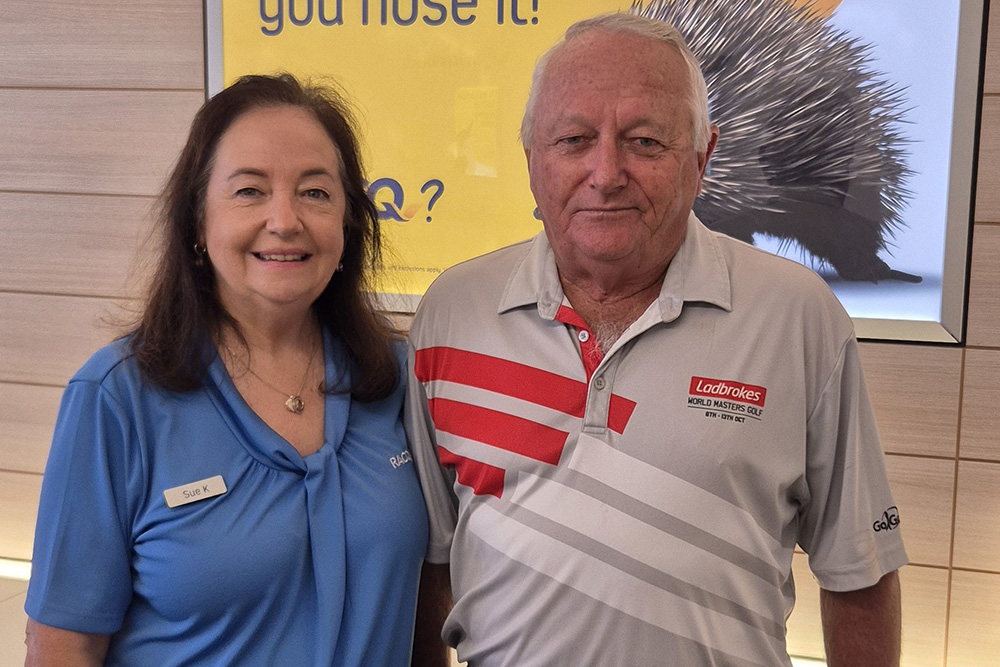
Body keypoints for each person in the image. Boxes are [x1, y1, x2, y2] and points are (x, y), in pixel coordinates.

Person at [405, 12, 907, 667]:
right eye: (574, 139)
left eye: (645, 141)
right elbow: (428, 569)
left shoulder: (798, 317)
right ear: (532, 159)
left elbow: (860, 571)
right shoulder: (453, 312)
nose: (606, 172)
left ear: (702, 158)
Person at [24, 73, 432, 666]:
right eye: (249, 191)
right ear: (197, 222)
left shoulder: (395, 380)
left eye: (315, 192)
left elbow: (422, 610)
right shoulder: (115, 398)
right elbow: (63, 647)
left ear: (348, 224)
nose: (285, 219)